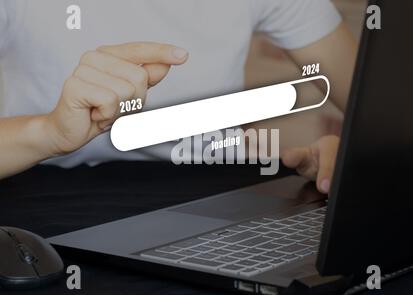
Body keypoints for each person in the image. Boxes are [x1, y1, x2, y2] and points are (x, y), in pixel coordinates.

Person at [0, 0, 356, 193]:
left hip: (218, 198)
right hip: (45, 196)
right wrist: (47, 132)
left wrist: (359, 154)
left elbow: (388, 120)